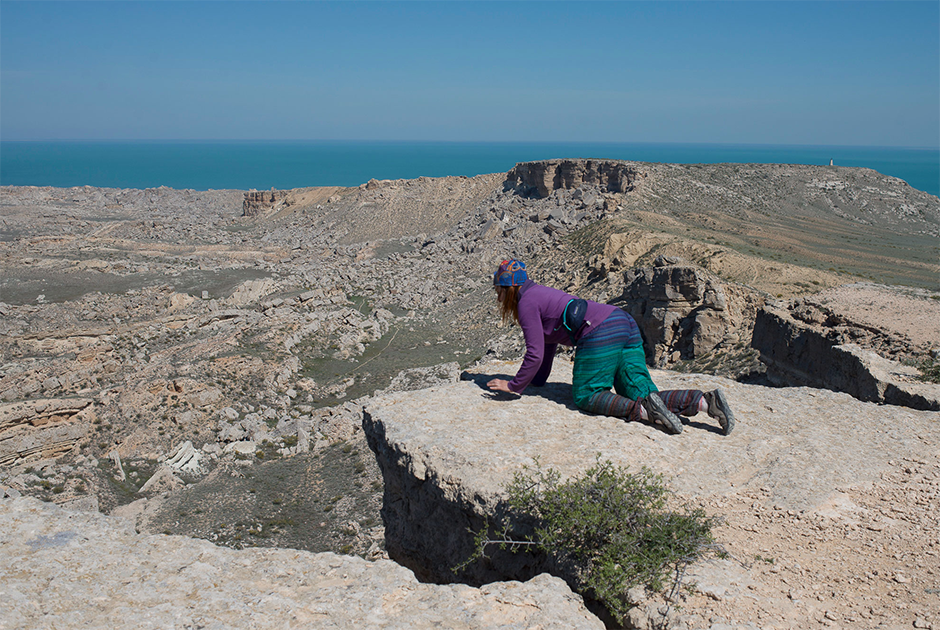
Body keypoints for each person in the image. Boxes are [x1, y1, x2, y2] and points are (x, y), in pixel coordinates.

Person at [486, 259, 735, 435]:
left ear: (510, 288)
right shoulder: (539, 293)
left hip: (598, 332)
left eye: (499, 291)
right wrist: (536, 383)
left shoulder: (526, 302)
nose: (498, 297)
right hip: (622, 322)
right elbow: (547, 345)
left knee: (587, 395)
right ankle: (704, 402)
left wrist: (513, 386)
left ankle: (646, 414)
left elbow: (535, 352)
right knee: (642, 392)